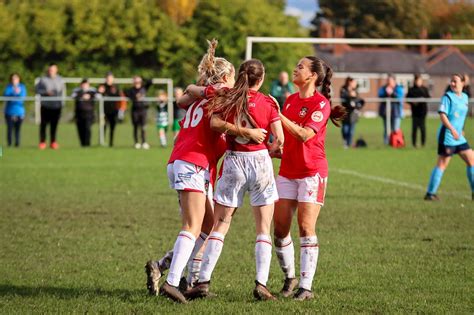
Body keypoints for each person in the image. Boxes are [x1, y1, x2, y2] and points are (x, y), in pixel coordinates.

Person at [146, 39, 267, 304]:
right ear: (225, 77)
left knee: (208, 225)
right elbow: (211, 116)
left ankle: (169, 268)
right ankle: (172, 282)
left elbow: (184, 98)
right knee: (192, 225)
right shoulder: (221, 93)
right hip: (192, 163)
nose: (236, 82)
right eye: (233, 76)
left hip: (187, 163)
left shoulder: (203, 98)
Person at [186, 59, 284, 301]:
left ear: (240, 76)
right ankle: (261, 283)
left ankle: (204, 281)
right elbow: (279, 139)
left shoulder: (228, 97)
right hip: (260, 162)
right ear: (260, 80)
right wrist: (269, 149)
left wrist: (238, 131)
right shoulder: (269, 102)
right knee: (263, 228)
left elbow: (215, 123)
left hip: (233, 161)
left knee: (220, 224)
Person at [271, 56, 346, 301]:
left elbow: (304, 135)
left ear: (312, 76)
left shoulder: (321, 103)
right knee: (280, 230)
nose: (295, 68)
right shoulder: (291, 100)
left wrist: (278, 115)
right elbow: (285, 136)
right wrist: (273, 147)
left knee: (305, 227)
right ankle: (290, 277)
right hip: (287, 171)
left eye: (300, 66)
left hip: (312, 173)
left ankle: (306, 287)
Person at [425, 73, 474, 201]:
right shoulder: (448, 97)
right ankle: (430, 193)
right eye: (451, 81)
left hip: (459, 137)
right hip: (447, 137)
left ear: (463, 84)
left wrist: (461, 130)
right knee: (442, 165)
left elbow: (461, 117)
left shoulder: (465, 97)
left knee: (471, 160)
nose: (452, 84)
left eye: (455, 81)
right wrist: (452, 129)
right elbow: (442, 115)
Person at [35, 63, 65, 149]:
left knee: (54, 125)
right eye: (50, 70)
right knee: (43, 125)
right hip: (45, 105)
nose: (51, 71)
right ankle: (42, 142)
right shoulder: (43, 79)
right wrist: (46, 92)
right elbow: (37, 90)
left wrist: (61, 103)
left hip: (56, 106)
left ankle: (53, 142)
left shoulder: (60, 79)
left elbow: (62, 92)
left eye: (53, 69)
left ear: (56, 70)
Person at [125, 76, 152, 149]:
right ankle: (136, 142)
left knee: (143, 127)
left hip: (143, 110)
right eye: (135, 81)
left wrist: (142, 78)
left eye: (138, 81)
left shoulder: (144, 88)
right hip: (135, 110)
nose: (137, 82)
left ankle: (144, 142)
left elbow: (150, 81)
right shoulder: (131, 90)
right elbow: (127, 94)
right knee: (135, 127)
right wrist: (135, 97)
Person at [71, 79, 100, 147]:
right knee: (80, 129)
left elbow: (99, 96)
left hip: (89, 114)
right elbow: (72, 96)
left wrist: (91, 95)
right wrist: (82, 96)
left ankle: (87, 144)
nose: (84, 86)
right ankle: (82, 144)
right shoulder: (77, 91)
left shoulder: (92, 91)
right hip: (79, 114)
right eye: (83, 84)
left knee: (87, 129)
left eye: (86, 84)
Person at [97, 72, 122, 147]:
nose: (109, 79)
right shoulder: (102, 86)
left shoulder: (115, 87)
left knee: (112, 127)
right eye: (108, 77)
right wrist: (99, 91)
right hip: (104, 110)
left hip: (114, 110)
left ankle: (111, 143)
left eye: (111, 77)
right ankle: (101, 141)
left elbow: (119, 96)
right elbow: (97, 94)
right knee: (103, 126)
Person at [378, 74, 404, 145]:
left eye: (390, 80)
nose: (389, 82)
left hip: (396, 113)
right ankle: (386, 144)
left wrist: (392, 93)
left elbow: (400, 98)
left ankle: (395, 143)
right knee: (387, 129)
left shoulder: (399, 88)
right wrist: (386, 93)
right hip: (386, 112)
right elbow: (380, 95)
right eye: (388, 80)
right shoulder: (383, 88)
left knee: (395, 129)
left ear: (394, 81)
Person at [340, 77, 365, 148]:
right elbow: (342, 98)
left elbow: (358, 99)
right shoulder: (343, 89)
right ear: (349, 82)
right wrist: (350, 95)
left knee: (351, 130)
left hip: (353, 113)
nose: (355, 84)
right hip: (345, 112)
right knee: (345, 129)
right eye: (354, 82)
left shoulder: (355, 90)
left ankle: (349, 144)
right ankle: (345, 142)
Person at [3, 73, 27, 147]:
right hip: (9, 112)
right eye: (13, 79)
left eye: (16, 78)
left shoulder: (22, 87)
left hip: (19, 112)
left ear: (19, 79)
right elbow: (6, 96)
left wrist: (18, 94)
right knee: (9, 129)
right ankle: (9, 144)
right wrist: (13, 93)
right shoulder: (8, 87)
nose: (14, 80)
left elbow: (22, 98)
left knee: (17, 129)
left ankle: (17, 143)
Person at [406, 74, 430, 148]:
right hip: (415, 112)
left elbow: (428, 98)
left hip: (423, 112)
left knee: (423, 128)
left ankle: (423, 144)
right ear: (415, 81)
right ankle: (414, 144)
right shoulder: (411, 89)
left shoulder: (424, 89)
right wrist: (413, 102)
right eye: (417, 80)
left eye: (420, 80)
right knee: (414, 128)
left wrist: (422, 99)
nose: (418, 82)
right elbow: (407, 99)